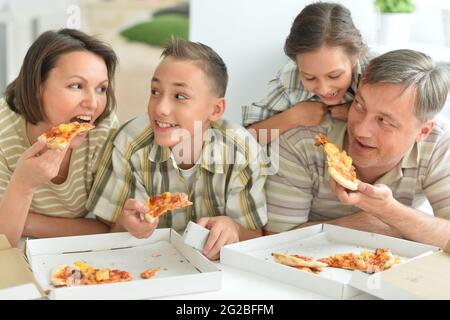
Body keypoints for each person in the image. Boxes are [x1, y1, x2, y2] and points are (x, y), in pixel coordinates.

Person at [87, 39, 268, 260]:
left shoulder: (242, 152)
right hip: (146, 264)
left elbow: (255, 236)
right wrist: (128, 227)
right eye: (155, 91)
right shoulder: (129, 144)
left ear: (216, 109)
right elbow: (107, 232)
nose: (160, 108)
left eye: (180, 96)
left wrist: (234, 228)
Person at [265, 49, 450, 248]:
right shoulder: (300, 142)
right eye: (360, 105)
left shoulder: (439, 142)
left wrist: (389, 212)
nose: (361, 130)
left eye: (384, 121)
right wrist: (358, 225)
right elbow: (272, 243)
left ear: (422, 131)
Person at [0, 29, 120, 247]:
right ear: (37, 87)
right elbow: (2, 244)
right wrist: (23, 185)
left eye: (101, 88)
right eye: (76, 85)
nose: (93, 104)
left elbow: (109, 228)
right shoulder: (3, 131)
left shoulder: (103, 130)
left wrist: (25, 222)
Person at [243, 2, 373, 143]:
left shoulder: (376, 70)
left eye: (334, 75)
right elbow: (246, 139)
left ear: (356, 57)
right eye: (310, 78)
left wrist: (358, 114)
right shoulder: (290, 78)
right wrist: (292, 117)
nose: (324, 89)